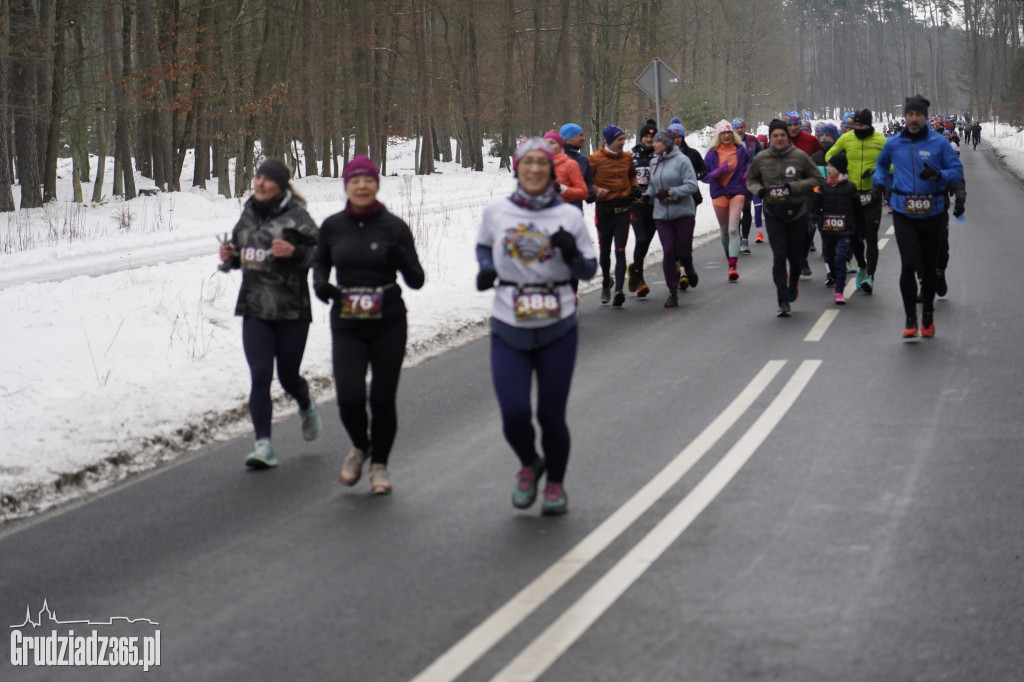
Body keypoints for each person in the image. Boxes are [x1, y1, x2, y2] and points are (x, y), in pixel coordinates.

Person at [475, 138, 598, 516]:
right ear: (517, 168)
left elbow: (588, 270)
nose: (533, 169)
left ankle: (555, 485)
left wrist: (570, 252)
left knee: (550, 414)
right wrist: (487, 269)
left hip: (557, 324)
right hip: (509, 322)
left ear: (550, 171)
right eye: (527, 163)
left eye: (541, 163)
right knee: (513, 412)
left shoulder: (569, 217)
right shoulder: (497, 211)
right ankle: (530, 463)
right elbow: (484, 246)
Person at [312, 155, 425, 493]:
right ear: (346, 186)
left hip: (388, 321)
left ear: (377, 184)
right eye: (355, 180)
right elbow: (320, 264)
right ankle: (361, 446)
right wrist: (321, 285)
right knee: (349, 397)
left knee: (382, 398)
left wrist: (401, 259)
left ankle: (379, 467)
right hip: (347, 321)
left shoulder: (394, 227)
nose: (362, 186)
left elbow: (417, 280)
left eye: (368, 180)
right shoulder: (332, 226)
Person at [218, 159, 321, 469]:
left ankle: (305, 403)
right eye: (258, 177)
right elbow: (241, 253)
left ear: (281, 185)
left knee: (288, 377)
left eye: (267, 178)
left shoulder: (297, 216)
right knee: (260, 375)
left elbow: (323, 253)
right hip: (255, 308)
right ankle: (263, 446)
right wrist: (230, 256)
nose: (260, 183)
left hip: (292, 311)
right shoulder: (248, 213)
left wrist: (295, 252)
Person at [873, 94, 963, 338]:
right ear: (905, 116)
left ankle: (928, 315)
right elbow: (881, 165)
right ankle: (911, 319)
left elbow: (957, 171)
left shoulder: (939, 143)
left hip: (933, 212)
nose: (914, 119)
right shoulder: (893, 143)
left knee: (929, 266)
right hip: (904, 212)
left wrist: (938, 175)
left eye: (918, 114)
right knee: (908, 265)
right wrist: (880, 183)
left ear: (925, 117)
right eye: (910, 114)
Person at [746, 119, 824, 316]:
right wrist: (759, 190)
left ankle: (794, 279)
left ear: (787, 137)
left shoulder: (799, 156)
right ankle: (782, 300)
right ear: (770, 138)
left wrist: (795, 187)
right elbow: (751, 179)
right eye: (775, 136)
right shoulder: (762, 158)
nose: (779, 138)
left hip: (797, 213)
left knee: (795, 258)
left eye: (782, 135)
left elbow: (817, 178)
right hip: (773, 213)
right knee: (779, 256)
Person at [827, 108, 887, 295]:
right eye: (856, 125)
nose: (859, 128)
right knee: (854, 237)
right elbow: (830, 156)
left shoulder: (881, 140)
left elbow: (894, 163)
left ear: (870, 124)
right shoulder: (846, 139)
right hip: (851, 195)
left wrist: (877, 170)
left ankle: (870, 276)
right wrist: (842, 169)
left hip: (872, 195)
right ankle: (862, 265)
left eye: (862, 125)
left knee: (871, 237)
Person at [644, 128, 700, 307]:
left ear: (667, 144)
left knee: (683, 251)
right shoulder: (654, 162)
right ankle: (672, 292)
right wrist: (648, 195)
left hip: (683, 213)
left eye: (657, 142)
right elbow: (653, 185)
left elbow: (692, 185)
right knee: (668, 252)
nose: (653, 144)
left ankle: (688, 268)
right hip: (662, 215)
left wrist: (670, 192)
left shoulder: (682, 160)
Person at [589, 125, 638, 307]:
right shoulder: (595, 159)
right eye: (619, 140)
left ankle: (618, 290)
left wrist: (634, 187)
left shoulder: (627, 158)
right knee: (605, 252)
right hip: (604, 211)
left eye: (624, 139)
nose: (623, 143)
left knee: (620, 250)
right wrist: (596, 190)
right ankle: (606, 282)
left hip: (623, 210)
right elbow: (587, 181)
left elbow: (632, 176)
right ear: (609, 141)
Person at [703, 119, 750, 281]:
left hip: (737, 192)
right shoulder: (711, 154)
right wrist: (717, 173)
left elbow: (748, 165)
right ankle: (729, 255)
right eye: (723, 133)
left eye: (729, 132)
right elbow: (703, 176)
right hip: (719, 194)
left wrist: (746, 173)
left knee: (732, 230)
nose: (727, 136)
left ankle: (732, 266)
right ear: (718, 135)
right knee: (724, 231)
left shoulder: (740, 150)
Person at [815, 152, 864, 305]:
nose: (828, 169)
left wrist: (860, 228)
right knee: (829, 258)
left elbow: (857, 210)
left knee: (840, 258)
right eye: (828, 166)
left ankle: (839, 290)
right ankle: (836, 279)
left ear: (840, 169)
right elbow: (816, 207)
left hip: (845, 230)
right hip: (828, 230)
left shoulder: (850, 187)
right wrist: (815, 220)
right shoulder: (823, 186)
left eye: (832, 166)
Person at [628, 119, 658, 297]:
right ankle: (639, 279)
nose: (649, 139)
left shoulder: (660, 154)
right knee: (640, 239)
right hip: (637, 205)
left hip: (655, 205)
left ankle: (634, 268)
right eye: (646, 136)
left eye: (652, 137)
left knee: (645, 243)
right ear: (641, 138)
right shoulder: (631, 155)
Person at [732, 117, 763, 253]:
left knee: (745, 208)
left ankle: (745, 239)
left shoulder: (752, 140)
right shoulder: (729, 141)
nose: (739, 130)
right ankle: (737, 238)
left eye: (742, 127)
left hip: (749, 180)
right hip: (733, 181)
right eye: (737, 127)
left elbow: (762, 155)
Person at [543, 131, 589, 205]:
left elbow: (583, 193)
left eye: (552, 143)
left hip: (565, 208)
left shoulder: (570, 164)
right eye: (545, 143)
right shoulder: (538, 165)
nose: (548, 145)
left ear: (560, 147)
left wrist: (563, 189)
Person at [559, 123, 596, 209]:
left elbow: (588, 183)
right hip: (555, 212)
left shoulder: (583, 160)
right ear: (570, 138)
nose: (584, 138)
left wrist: (590, 193)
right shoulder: (554, 158)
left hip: (576, 211)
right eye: (580, 135)